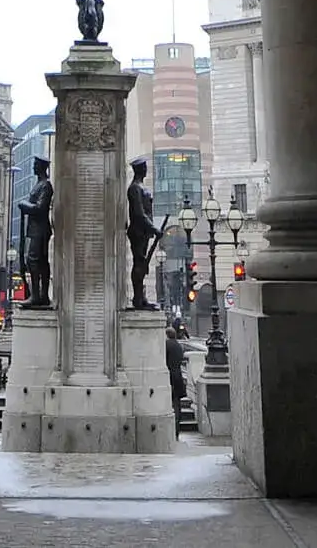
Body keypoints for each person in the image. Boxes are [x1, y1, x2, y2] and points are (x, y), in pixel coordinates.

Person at [17, 156, 53, 308]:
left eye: (35, 165)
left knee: (35, 261)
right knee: (38, 261)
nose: (33, 167)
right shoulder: (38, 184)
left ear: (41, 167)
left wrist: (24, 204)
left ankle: (38, 296)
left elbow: (39, 208)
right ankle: (39, 295)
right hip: (34, 229)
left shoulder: (46, 185)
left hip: (40, 229)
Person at [125, 158, 161, 310]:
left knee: (142, 264)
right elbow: (139, 213)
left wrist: (151, 230)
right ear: (139, 169)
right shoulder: (134, 188)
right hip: (138, 231)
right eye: (144, 167)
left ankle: (141, 296)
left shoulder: (141, 187)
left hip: (144, 232)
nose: (146, 169)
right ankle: (138, 298)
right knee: (139, 263)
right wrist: (154, 228)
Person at [164, 328, 187, 436]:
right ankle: (177, 428)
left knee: (170, 403)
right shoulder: (179, 345)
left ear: (167, 335)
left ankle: (171, 428)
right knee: (177, 403)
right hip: (178, 376)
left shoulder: (166, 345)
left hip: (169, 376)